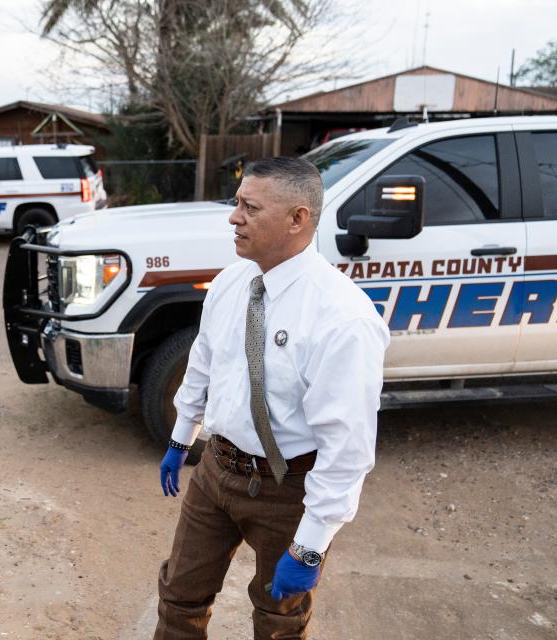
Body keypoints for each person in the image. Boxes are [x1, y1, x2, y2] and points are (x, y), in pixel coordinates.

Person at [153, 156, 390, 639]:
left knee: (279, 621)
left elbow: (347, 449)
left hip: (289, 492)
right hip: (216, 473)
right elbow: (204, 361)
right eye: (236, 203)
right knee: (179, 597)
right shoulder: (230, 283)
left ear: (297, 219)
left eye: (250, 207)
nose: (233, 217)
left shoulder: (342, 318)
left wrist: (310, 546)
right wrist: (183, 437)